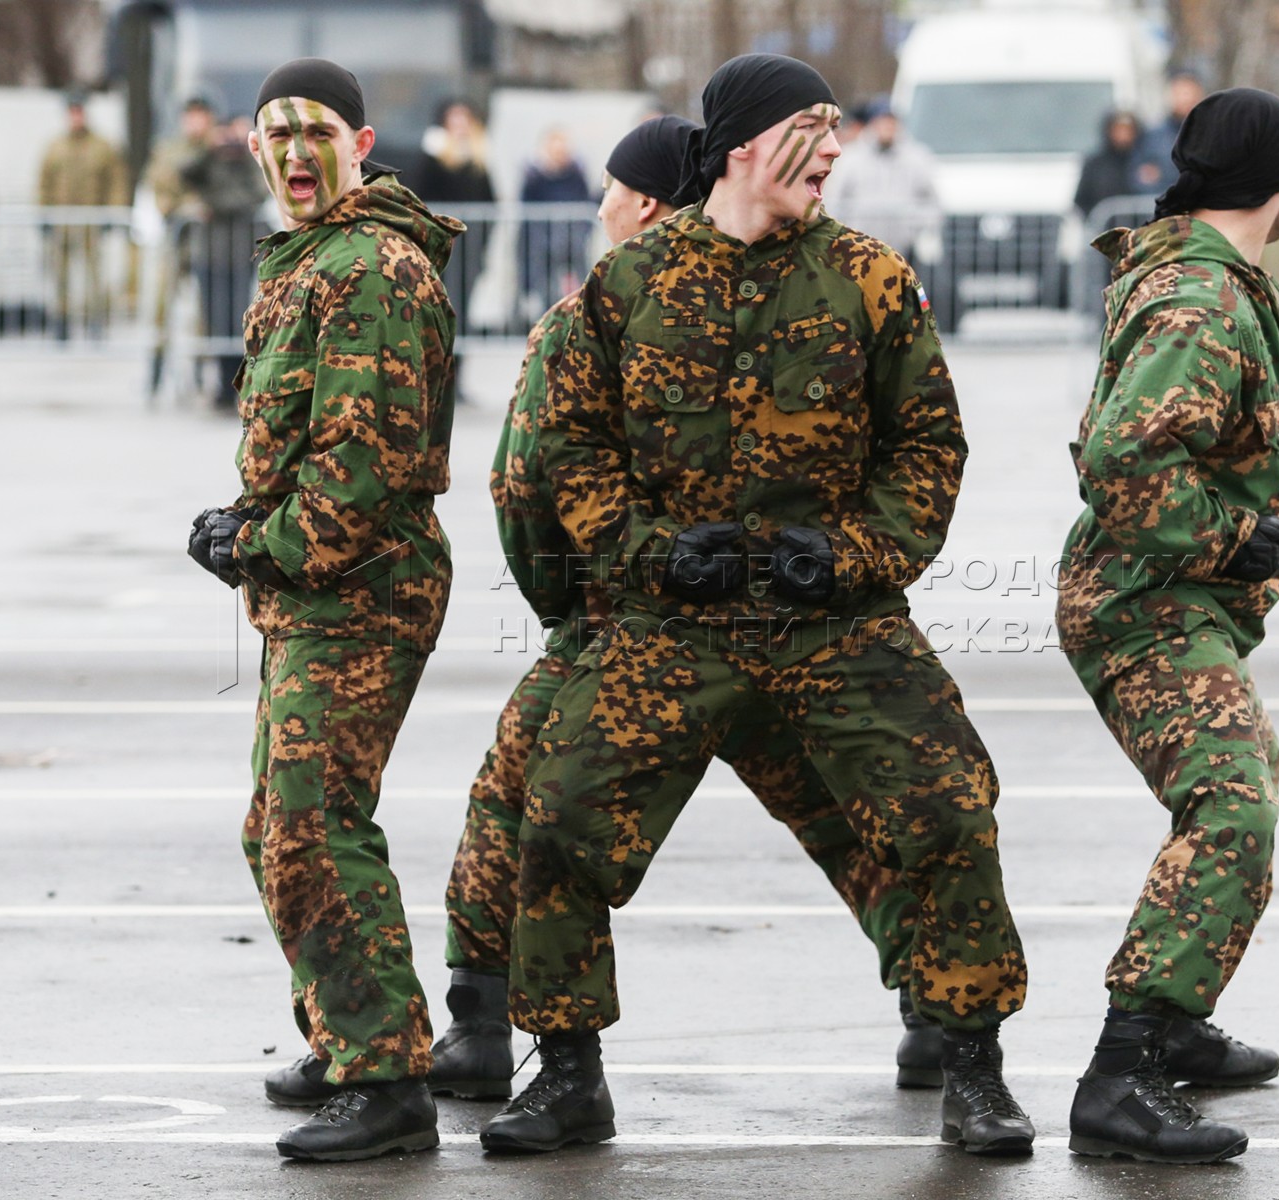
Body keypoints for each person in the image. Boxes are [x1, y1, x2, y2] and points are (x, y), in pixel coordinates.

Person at [480, 53, 1032, 1158]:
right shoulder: (628, 289)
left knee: (948, 806)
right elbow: (568, 445)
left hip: (833, 619)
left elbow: (929, 444)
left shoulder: (871, 278)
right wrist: (644, 555)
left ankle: (973, 1067)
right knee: (562, 816)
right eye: (813, 129)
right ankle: (568, 1073)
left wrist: (860, 555)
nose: (834, 150)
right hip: (671, 625)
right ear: (744, 146)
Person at [424, 114, 938, 1105]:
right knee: (839, 813)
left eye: (614, 187)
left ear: (650, 203)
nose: (602, 203)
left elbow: (523, 490)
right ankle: (936, 1012)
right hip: (794, 620)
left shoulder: (588, 319)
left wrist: (570, 607)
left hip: (633, 630)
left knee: (522, 803)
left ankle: (485, 1025)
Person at [185, 56, 464, 1164]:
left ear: (359, 142)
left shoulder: (372, 268)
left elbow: (363, 462)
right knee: (276, 829)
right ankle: (347, 1028)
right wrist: (244, 522)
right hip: (314, 587)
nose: (294, 154)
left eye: (316, 134)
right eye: (274, 135)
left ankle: (387, 1079)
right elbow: (304, 439)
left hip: (360, 588)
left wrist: (256, 540)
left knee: (311, 828)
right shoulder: (309, 258)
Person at [1056, 87, 1279, 1165]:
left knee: (1248, 773)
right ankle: (1126, 1066)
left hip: (1163, 596)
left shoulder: (1205, 276)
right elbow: (1120, 457)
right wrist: (1224, 537)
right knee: (1231, 807)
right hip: (1143, 602)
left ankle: (1180, 1024)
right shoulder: (1202, 296)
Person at [401, 100, 496, 397]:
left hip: (470, 253)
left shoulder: (478, 158)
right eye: (454, 119)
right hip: (441, 255)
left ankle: (454, 381)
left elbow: (491, 203)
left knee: (461, 316)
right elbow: (417, 198)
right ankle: (430, 379)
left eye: (464, 118)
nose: (460, 125)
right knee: (434, 315)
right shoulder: (433, 157)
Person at [181, 114, 269, 407]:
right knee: (214, 321)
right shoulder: (210, 159)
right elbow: (185, 173)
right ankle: (220, 382)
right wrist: (210, 147)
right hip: (210, 253)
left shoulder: (248, 163)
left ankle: (236, 381)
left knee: (238, 321)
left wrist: (244, 152)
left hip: (239, 254)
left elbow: (258, 193)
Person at [38, 92, 129, 340]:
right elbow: (44, 183)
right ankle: (62, 320)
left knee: (94, 276)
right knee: (60, 275)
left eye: (79, 111)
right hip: (62, 221)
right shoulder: (55, 146)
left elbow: (115, 182)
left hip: (92, 221)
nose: (76, 116)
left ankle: (95, 321)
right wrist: (43, 213)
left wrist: (112, 213)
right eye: (72, 111)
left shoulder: (102, 146)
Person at [145, 97, 217, 396]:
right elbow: (159, 189)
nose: (195, 121)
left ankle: (201, 370)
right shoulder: (168, 150)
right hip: (175, 239)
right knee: (163, 306)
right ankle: (156, 372)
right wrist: (185, 206)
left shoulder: (216, 149)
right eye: (191, 115)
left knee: (204, 311)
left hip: (207, 240)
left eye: (201, 115)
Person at [827, 98, 942, 266]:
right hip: (860, 246)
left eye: (891, 122)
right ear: (873, 124)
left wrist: (919, 229)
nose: (887, 127)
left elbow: (931, 201)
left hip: (904, 249)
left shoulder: (917, 157)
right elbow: (834, 199)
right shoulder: (851, 158)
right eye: (882, 122)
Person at [516, 127, 592, 323]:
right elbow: (526, 209)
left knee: (580, 288)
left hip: (572, 241)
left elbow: (585, 205)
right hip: (541, 244)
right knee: (544, 292)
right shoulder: (534, 177)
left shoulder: (576, 175)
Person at [1132, 72, 1206, 196]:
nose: (1186, 99)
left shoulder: (1215, 133)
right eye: (1181, 94)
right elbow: (1139, 177)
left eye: (1190, 94)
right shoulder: (1152, 137)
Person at [1074, 111, 1142, 226]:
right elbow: (1081, 200)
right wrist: (1095, 222)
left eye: (1128, 130)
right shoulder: (1095, 163)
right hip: (1104, 233)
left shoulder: (1143, 161)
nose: (1123, 135)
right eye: (1118, 130)